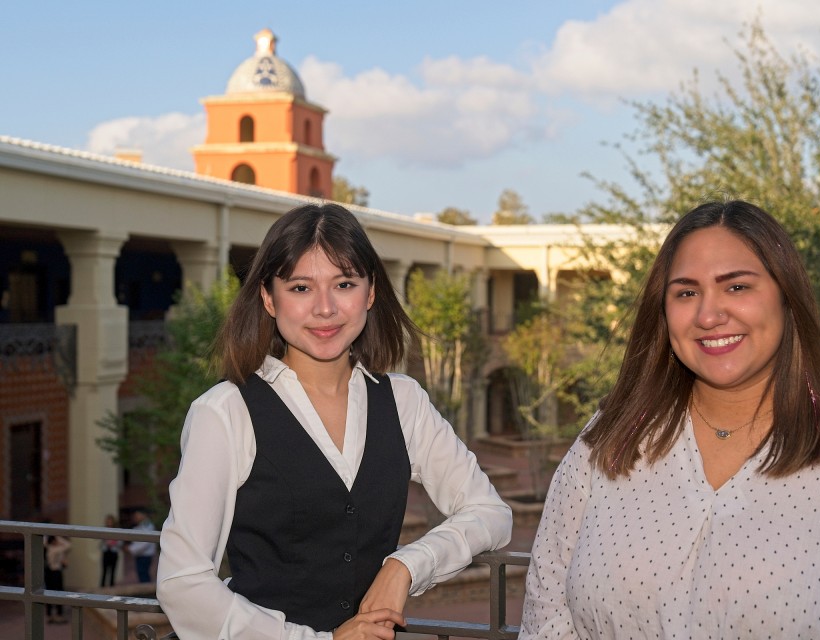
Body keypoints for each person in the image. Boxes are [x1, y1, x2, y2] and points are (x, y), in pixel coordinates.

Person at [519, 200, 820, 638]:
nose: (708, 315)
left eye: (737, 287)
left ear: (787, 297)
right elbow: (547, 609)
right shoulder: (610, 437)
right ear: (664, 313)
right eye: (686, 292)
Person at [157, 203, 512, 640]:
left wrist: (406, 565)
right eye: (301, 287)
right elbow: (182, 581)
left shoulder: (403, 401)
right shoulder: (225, 412)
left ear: (370, 293)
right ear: (268, 297)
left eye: (344, 284)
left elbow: (491, 513)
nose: (325, 308)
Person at [43, 532, 71, 624]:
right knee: (59, 592)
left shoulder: (48, 548)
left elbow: (44, 542)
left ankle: (50, 614)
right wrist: (58, 537)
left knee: (49, 592)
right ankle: (58, 614)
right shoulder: (56, 549)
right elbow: (68, 545)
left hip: (48, 572)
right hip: (55, 572)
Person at [128, 510, 156, 583]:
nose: (135, 518)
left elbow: (144, 542)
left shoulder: (147, 525)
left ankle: (146, 592)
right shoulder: (140, 525)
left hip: (145, 555)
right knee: (141, 574)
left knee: (143, 574)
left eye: (137, 515)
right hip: (140, 554)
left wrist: (131, 549)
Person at [100, 514, 121, 587]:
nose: (109, 522)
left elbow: (120, 542)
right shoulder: (104, 530)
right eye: (107, 521)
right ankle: (102, 587)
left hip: (113, 552)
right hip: (106, 551)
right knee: (104, 570)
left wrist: (113, 543)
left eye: (110, 521)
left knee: (113, 571)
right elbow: (101, 541)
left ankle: (111, 587)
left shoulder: (117, 530)